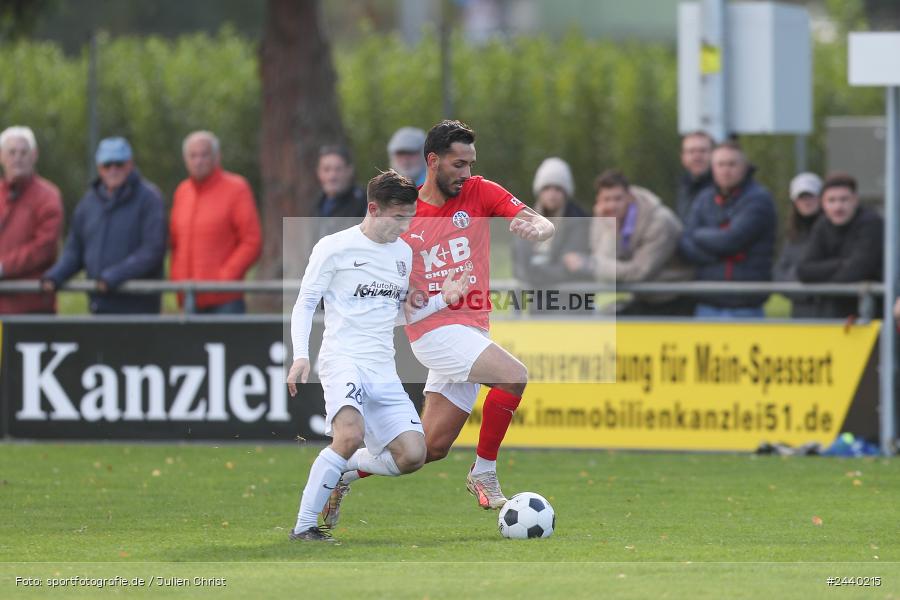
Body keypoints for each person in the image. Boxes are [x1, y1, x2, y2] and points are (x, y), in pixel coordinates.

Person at [327, 120, 555, 520]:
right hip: (432, 330)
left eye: (469, 164)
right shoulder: (407, 216)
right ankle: (483, 472)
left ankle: (345, 468)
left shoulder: (480, 191)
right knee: (513, 376)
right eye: (457, 164)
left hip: (472, 329)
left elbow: (542, 221)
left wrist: (536, 229)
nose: (465, 173)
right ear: (432, 161)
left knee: (428, 449)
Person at [285, 170, 468, 542]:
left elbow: (399, 313)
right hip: (343, 360)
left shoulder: (402, 254)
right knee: (349, 434)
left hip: (383, 369)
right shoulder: (333, 247)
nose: (405, 226)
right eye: (399, 217)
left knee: (414, 455)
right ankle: (304, 527)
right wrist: (300, 356)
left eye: (410, 217)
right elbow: (305, 303)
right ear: (373, 208)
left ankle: (343, 471)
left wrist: (442, 300)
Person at [43, 137, 166, 314]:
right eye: (107, 165)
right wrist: (55, 276)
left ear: (130, 164)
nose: (113, 170)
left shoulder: (149, 199)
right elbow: (75, 251)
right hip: (100, 305)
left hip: (138, 307)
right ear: (99, 168)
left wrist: (115, 275)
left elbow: (152, 250)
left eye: (119, 164)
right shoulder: (88, 203)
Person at [567, 170, 692, 315]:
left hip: (674, 297)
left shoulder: (660, 222)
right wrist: (610, 231)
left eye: (617, 198)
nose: (612, 205)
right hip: (642, 296)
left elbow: (638, 273)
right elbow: (603, 271)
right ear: (599, 200)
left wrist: (590, 264)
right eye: (606, 199)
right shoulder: (605, 215)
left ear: (629, 197)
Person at [678, 140, 776, 318]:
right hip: (707, 303)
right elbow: (685, 241)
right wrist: (720, 251)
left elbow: (730, 241)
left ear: (745, 167)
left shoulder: (759, 199)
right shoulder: (704, 198)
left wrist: (700, 237)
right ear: (712, 168)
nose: (726, 170)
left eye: (732, 164)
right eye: (720, 164)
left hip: (744, 306)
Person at [170, 131, 262, 314]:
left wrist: (223, 279)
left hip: (225, 301)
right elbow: (175, 243)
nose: (198, 161)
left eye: (204, 155)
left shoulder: (236, 189)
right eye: (193, 155)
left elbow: (252, 241)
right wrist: (177, 280)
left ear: (216, 157)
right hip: (189, 299)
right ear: (185, 159)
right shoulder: (182, 192)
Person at [797, 173, 883, 319]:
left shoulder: (871, 223)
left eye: (844, 199)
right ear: (822, 203)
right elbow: (804, 270)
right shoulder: (822, 225)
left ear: (855, 200)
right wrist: (842, 263)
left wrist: (824, 279)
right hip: (832, 315)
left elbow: (859, 270)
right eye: (831, 200)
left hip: (869, 315)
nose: (838, 206)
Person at [0, 126, 63, 314]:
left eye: (23, 152)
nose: (17, 158)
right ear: (2, 156)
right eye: (11, 152)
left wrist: (3, 267)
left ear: (34, 155)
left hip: (32, 305)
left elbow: (44, 246)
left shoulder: (48, 196)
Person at [512, 157, 590, 287]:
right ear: (539, 191)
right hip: (536, 300)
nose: (552, 194)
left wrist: (534, 274)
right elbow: (519, 264)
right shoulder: (526, 218)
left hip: (569, 300)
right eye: (547, 188)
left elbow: (570, 269)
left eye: (558, 189)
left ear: (566, 192)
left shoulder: (579, 221)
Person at [773, 172, 822, 318]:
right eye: (802, 197)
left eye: (811, 196)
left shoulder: (831, 232)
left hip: (827, 311)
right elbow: (779, 272)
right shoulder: (792, 235)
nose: (806, 202)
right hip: (800, 312)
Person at [314, 145, 367, 241]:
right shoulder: (317, 203)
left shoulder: (364, 201)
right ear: (319, 173)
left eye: (338, 169)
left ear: (349, 171)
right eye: (326, 169)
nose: (332, 176)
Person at [676, 131, 715, 223]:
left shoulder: (723, 187)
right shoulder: (684, 186)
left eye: (703, 151)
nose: (697, 157)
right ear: (683, 157)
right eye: (691, 151)